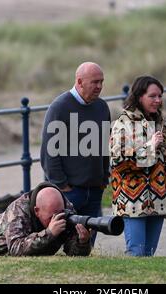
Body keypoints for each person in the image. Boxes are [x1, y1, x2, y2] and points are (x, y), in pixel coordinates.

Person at [110, 75, 166, 256]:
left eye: (160, 96)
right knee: (136, 253)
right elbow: (119, 163)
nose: (158, 100)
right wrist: (150, 147)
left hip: (158, 201)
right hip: (132, 203)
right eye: (152, 96)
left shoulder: (162, 125)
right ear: (139, 97)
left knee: (149, 255)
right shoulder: (123, 124)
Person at [40, 62, 111, 247]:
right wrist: (61, 185)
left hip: (94, 190)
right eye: (94, 82)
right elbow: (49, 153)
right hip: (70, 191)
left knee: (86, 244)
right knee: (62, 243)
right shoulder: (60, 107)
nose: (99, 87)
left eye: (101, 82)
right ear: (79, 82)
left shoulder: (102, 107)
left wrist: (104, 178)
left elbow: (104, 145)